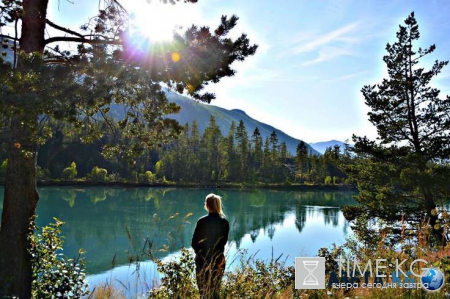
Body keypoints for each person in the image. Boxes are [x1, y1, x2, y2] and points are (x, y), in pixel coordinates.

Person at [191, 193, 230, 299]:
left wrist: (201, 255)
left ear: (207, 205)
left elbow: (194, 243)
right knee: (215, 292)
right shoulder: (224, 222)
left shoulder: (202, 221)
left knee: (203, 293)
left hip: (202, 261)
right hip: (218, 260)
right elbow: (223, 242)